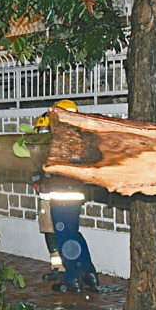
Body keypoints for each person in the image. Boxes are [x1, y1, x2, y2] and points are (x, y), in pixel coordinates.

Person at [34, 100, 100, 293]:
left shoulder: (62, 140)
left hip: (61, 195)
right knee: (74, 234)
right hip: (75, 195)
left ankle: (73, 279)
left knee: (64, 238)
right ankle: (89, 274)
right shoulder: (81, 138)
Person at [31, 111, 63, 281]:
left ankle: (64, 267)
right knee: (48, 233)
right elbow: (34, 171)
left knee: (61, 233)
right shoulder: (39, 150)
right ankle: (57, 267)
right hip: (45, 199)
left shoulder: (56, 148)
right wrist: (37, 185)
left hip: (59, 199)